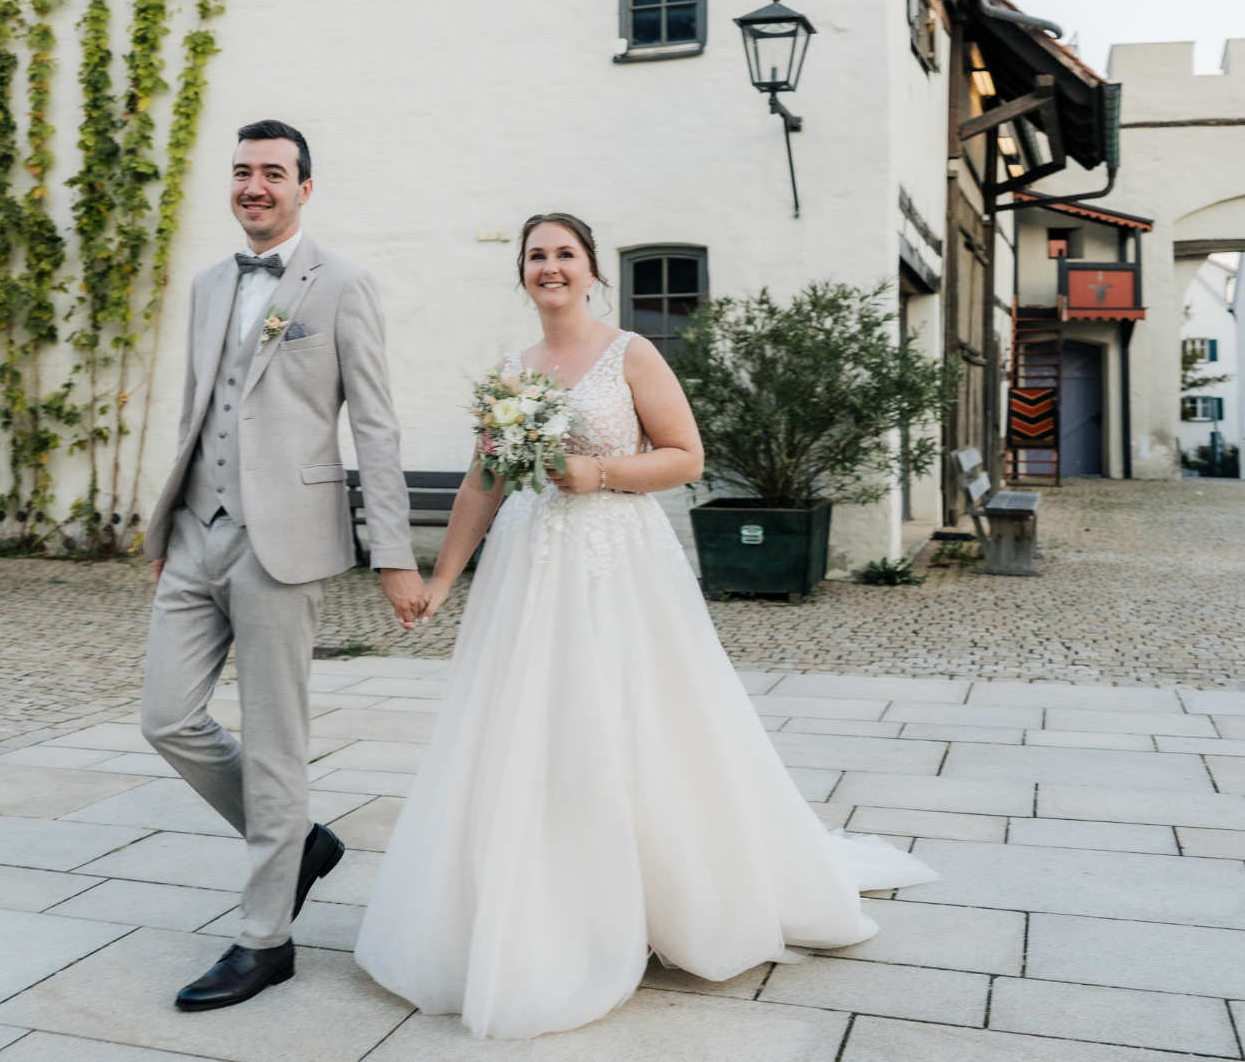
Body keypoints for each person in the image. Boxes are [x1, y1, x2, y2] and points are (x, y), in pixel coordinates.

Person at [353, 213, 936, 1039]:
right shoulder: (509, 372)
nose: (550, 267)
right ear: (521, 273)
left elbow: (685, 455)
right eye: (536, 256)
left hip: (616, 561)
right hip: (528, 570)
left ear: (592, 271)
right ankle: (542, 896)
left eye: (565, 254)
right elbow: (486, 478)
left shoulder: (631, 353)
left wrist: (595, 471)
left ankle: (665, 896)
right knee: (530, 727)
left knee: (637, 718)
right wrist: (442, 579)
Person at [137, 120, 421, 1012]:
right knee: (166, 717)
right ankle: (298, 841)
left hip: (285, 541)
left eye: (272, 172)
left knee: (275, 740)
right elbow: (198, 408)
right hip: (196, 534)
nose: (253, 185)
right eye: (242, 171)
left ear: (304, 186)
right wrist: (167, 527)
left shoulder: (342, 284)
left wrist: (394, 554)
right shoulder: (211, 282)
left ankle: (265, 940)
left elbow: (374, 425)